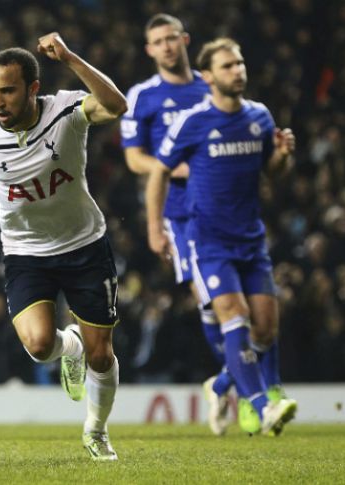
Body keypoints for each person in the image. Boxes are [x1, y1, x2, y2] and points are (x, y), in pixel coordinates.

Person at [0, 33, 127, 460]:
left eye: (8, 90)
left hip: (85, 244)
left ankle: (96, 429)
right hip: (25, 252)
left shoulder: (65, 110)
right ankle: (69, 347)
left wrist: (70, 58)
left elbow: (117, 105)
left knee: (102, 355)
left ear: (33, 88)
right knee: (38, 345)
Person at [145, 37, 298, 436]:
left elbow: (271, 171)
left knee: (265, 331)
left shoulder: (260, 116)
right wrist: (155, 228)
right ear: (209, 76)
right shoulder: (192, 121)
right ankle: (263, 407)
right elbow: (159, 171)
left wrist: (282, 155)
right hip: (208, 240)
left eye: (240, 63)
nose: (238, 71)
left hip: (251, 239)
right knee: (234, 315)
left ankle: (221, 385)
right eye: (228, 66)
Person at [120, 14, 235, 435]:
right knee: (211, 299)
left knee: (246, 303)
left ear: (185, 40)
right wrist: (174, 167)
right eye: (158, 41)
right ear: (149, 50)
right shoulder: (142, 96)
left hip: (229, 206)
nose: (167, 46)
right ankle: (244, 386)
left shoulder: (212, 85)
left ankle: (228, 383)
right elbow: (134, 158)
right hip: (182, 212)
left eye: (172, 38)